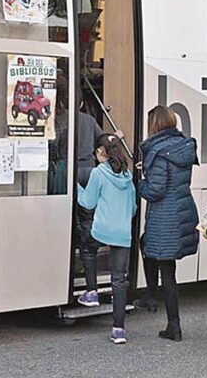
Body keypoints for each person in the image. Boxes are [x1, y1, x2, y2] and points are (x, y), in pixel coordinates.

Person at [134, 106, 199, 342]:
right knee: (149, 248)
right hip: (181, 211)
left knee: (167, 270)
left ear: (155, 125)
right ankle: (152, 297)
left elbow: (155, 190)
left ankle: (174, 326)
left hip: (166, 216)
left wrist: (139, 181)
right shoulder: (181, 146)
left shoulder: (159, 151)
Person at [76, 134, 137, 344]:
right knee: (119, 280)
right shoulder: (127, 175)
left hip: (101, 230)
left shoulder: (98, 173)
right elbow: (134, 207)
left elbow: (87, 203)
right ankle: (118, 330)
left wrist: (75, 187)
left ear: (101, 152)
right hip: (122, 232)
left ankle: (92, 291)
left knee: (87, 249)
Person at [74, 93, 106, 308]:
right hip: (89, 169)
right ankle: (87, 245)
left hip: (71, 171)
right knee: (87, 218)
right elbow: (102, 139)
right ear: (83, 103)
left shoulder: (61, 121)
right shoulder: (89, 120)